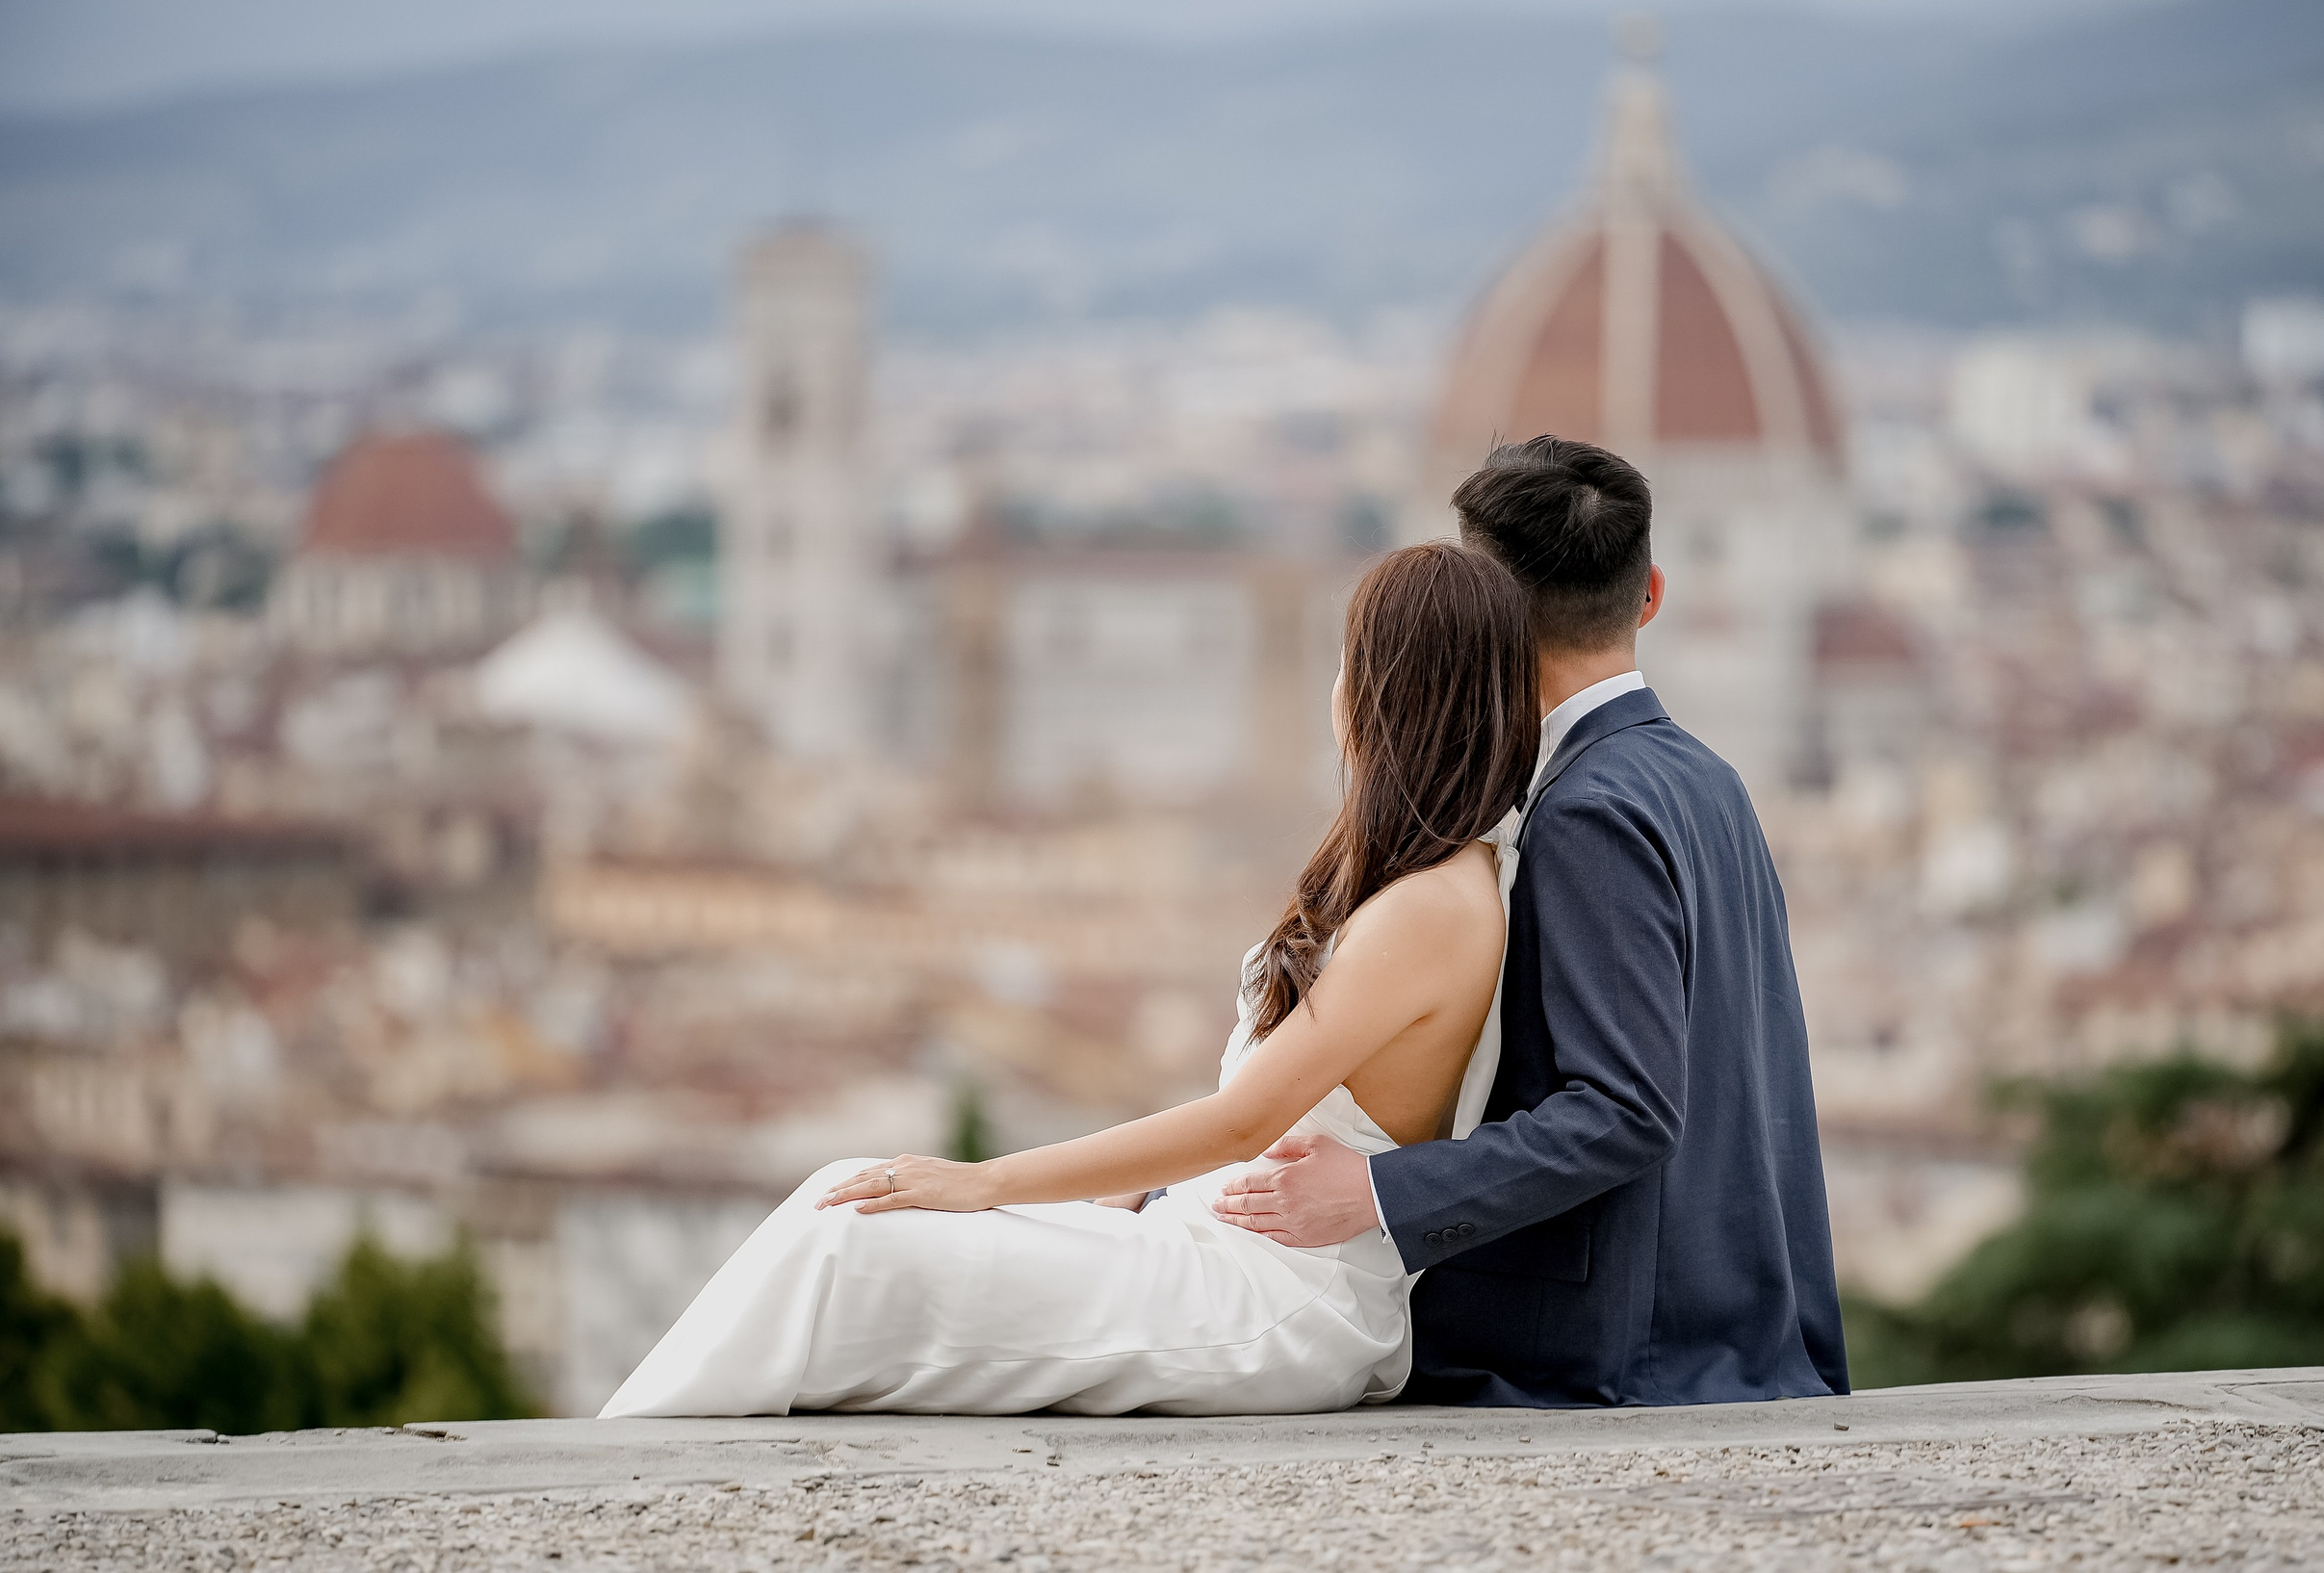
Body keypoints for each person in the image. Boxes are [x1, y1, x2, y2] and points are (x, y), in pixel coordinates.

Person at [600, 540, 1537, 1418]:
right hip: (1224, 1250)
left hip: (1276, 1300)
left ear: (1386, 694)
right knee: (846, 1193)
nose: (1336, 689)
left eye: (1350, 662)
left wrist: (987, 1182)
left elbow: (1243, 1120)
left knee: (849, 1245)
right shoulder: (1426, 881)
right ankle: (623, 1456)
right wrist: (1143, 1190)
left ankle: (614, 1474)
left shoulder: (1432, 907)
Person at [1211, 435, 1850, 1407]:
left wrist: (1379, 1195)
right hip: (1732, 1319)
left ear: (1487, 618)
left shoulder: (1587, 811)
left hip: (1614, 1347)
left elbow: (1626, 1109)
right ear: (1650, 594)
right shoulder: (1706, 780)